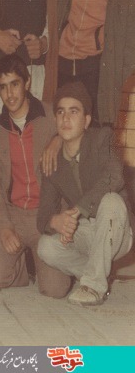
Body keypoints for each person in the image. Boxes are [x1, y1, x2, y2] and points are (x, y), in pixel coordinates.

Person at [0, 54, 71, 298]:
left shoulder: (51, 115)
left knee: (55, 289)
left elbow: (81, 132)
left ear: (27, 83)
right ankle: (22, 267)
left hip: (47, 215)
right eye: (3, 87)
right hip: (14, 215)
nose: (10, 94)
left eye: (15, 84)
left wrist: (59, 139)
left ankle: (42, 263)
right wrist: (3, 227)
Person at [38, 82, 134, 306]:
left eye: (74, 112)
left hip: (117, 231)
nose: (66, 118)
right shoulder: (53, 161)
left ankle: (93, 287)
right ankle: (97, 273)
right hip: (85, 232)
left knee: (111, 200)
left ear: (87, 120)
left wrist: (76, 210)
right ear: (55, 120)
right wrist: (56, 221)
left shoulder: (103, 138)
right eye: (60, 112)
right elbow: (42, 216)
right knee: (46, 247)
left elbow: (114, 178)